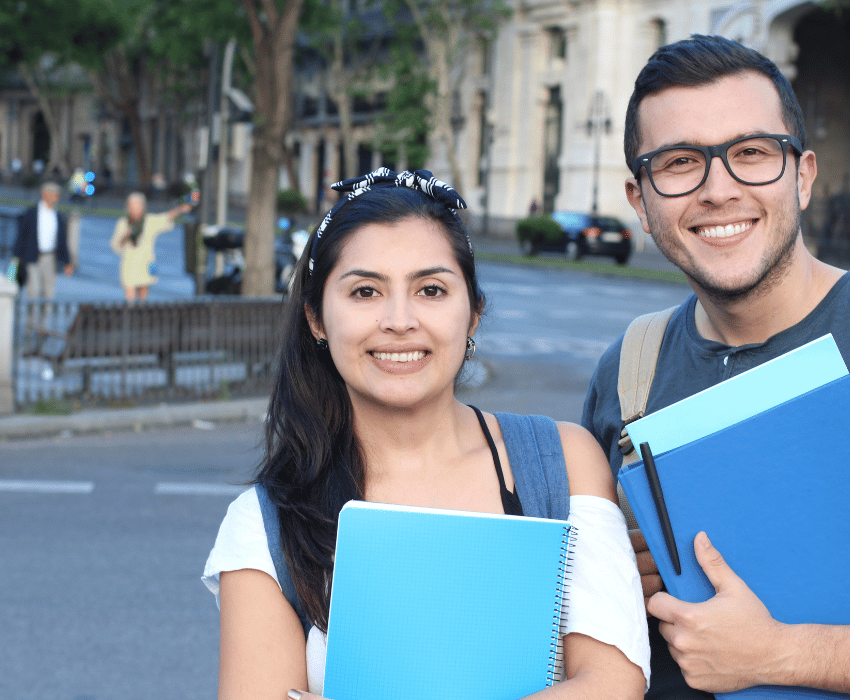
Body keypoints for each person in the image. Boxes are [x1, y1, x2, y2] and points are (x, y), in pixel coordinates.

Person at [203, 168, 650, 700]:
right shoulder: (267, 523)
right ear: (317, 319)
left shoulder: (561, 462)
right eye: (365, 291)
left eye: (431, 289)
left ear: (473, 315)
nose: (399, 319)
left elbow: (614, 685)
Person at [581, 34, 850, 699]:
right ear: (640, 202)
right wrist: (618, 579)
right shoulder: (628, 371)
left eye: (751, 153)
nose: (717, 188)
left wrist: (783, 655)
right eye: (678, 163)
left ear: (803, 176)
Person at [110, 192, 191, 302]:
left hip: (146, 262)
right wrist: (125, 237)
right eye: (132, 206)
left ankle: (141, 315)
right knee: (129, 293)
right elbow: (115, 244)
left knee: (144, 291)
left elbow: (166, 217)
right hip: (129, 263)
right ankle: (130, 315)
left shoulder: (149, 221)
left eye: (137, 206)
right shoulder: (123, 223)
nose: (135, 209)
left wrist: (180, 209)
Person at [14, 181, 73, 307]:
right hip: (32, 256)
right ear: (44, 195)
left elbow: (62, 241)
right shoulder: (31, 213)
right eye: (54, 194)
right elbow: (22, 236)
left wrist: (67, 262)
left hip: (50, 258)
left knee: (49, 293)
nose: (57, 197)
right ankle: (31, 325)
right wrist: (17, 257)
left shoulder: (58, 216)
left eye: (57, 195)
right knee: (33, 291)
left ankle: (43, 325)